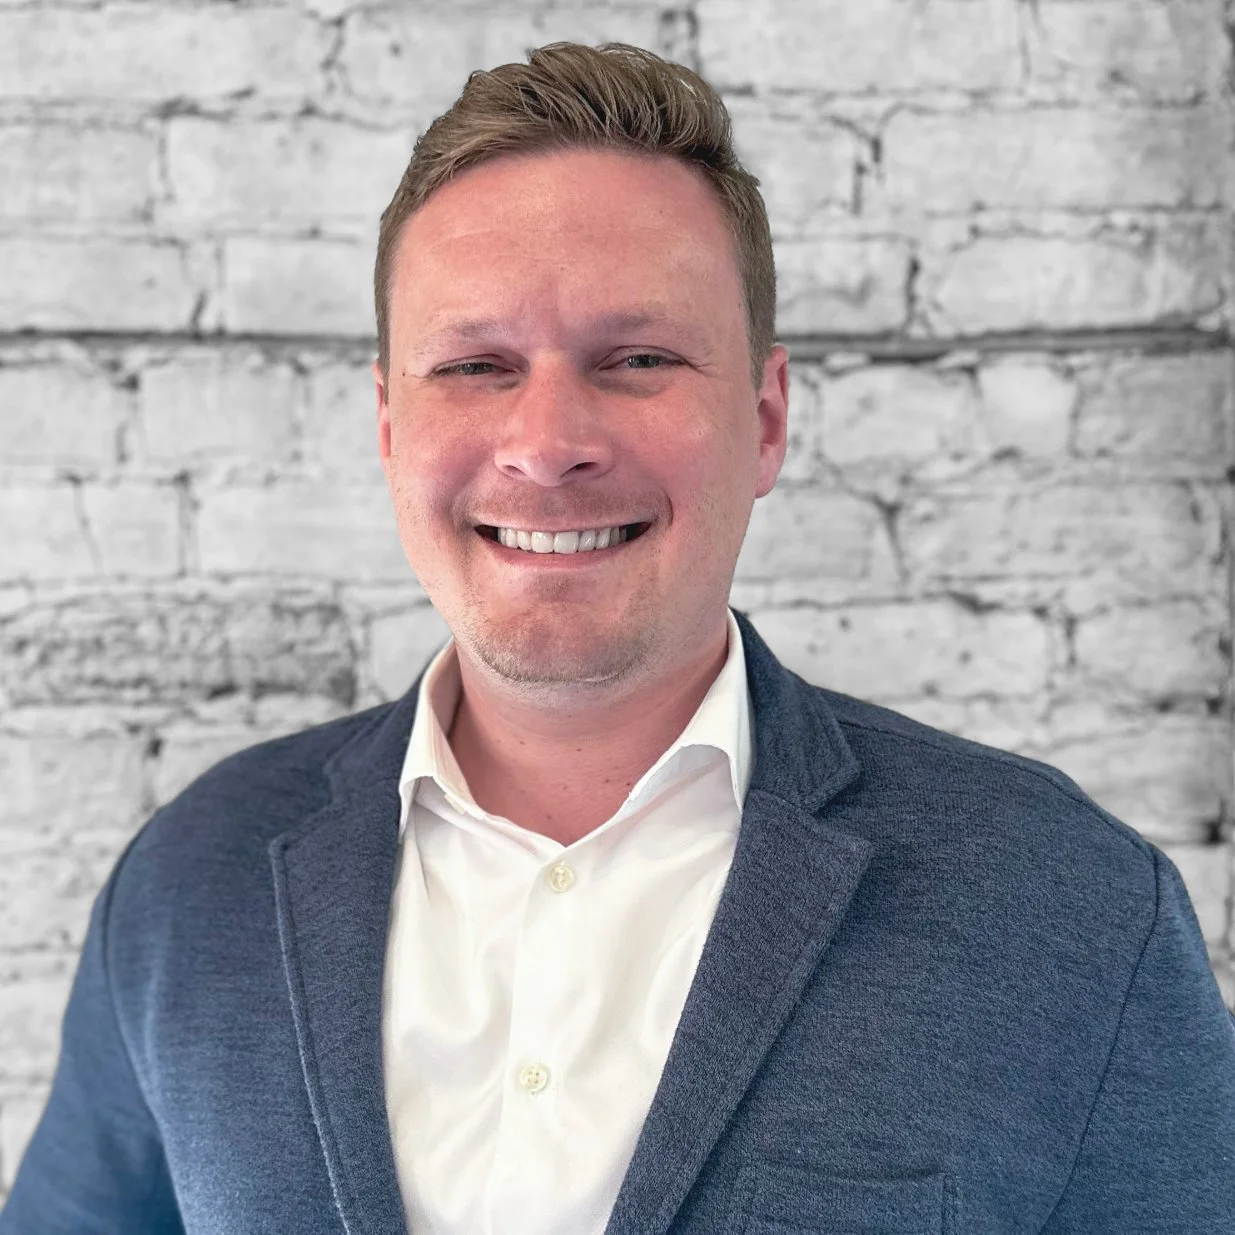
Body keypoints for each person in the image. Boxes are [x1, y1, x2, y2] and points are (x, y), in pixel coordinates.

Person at [3, 40, 1234, 1235]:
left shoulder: (1065, 905)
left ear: (764, 419)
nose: (547, 443)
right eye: (474, 365)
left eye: (638, 357)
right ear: (387, 426)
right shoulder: (193, 882)